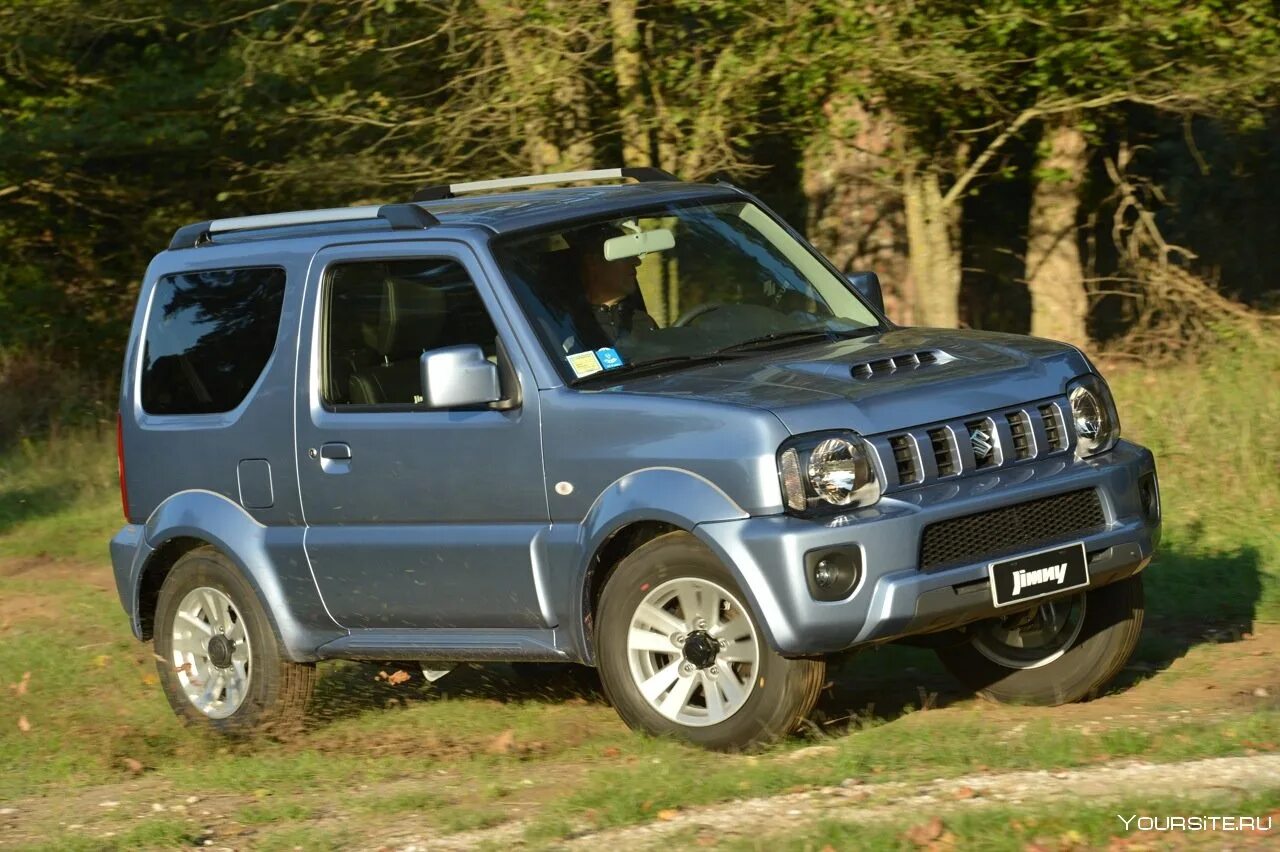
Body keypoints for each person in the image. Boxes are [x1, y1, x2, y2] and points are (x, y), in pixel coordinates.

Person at [564, 223, 658, 349]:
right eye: (624, 255)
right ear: (592, 262)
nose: (637, 262)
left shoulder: (642, 321)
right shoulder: (566, 328)